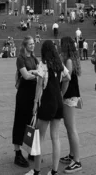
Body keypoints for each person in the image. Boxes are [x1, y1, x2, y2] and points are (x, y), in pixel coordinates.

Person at [29, 40, 70, 175]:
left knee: (40, 137)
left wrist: (35, 103)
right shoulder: (59, 64)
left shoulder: (43, 64)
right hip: (58, 102)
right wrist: (61, 93)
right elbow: (68, 77)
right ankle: (54, 170)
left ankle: (36, 171)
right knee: (55, 137)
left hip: (47, 103)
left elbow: (39, 85)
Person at [12, 36, 40, 168]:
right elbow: (26, 75)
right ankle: (17, 153)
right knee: (19, 122)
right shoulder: (20, 58)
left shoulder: (34, 58)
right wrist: (36, 73)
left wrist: (34, 72)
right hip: (23, 94)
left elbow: (41, 71)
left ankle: (29, 151)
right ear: (24, 45)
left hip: (33, 94)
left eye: (33, 44)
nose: (32, 46)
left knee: (31, 123)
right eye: (30, 44)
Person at [59, 36, 83, 173]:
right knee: (69, 128)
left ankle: (77, 161)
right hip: (72, 95)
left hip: (69, 95)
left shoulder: (68, 60)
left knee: (71, 128)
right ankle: (72, 155)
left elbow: (66, 81)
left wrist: (61, 95)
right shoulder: (71, 59)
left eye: (61, 44)